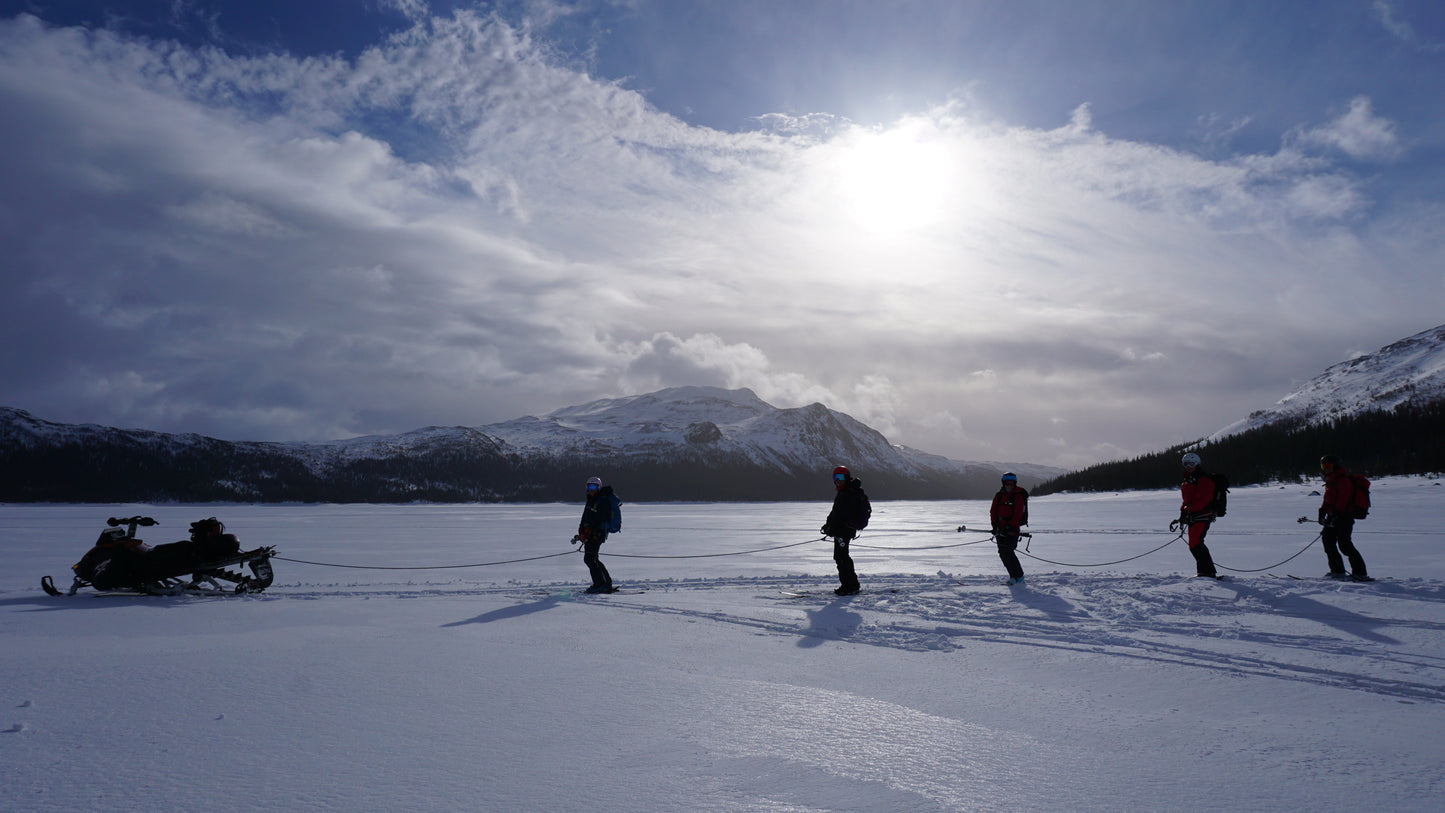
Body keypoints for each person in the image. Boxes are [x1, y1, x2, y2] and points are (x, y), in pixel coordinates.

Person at [1318, 455, 1371, 581]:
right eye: (1323, 466)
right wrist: (1322, 511)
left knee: (1345, 545)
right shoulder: (1331, 481)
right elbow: (1328, 499)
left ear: (1335, 466)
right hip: (1334, 517)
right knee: (1328, 541)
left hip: (1344, 517)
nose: (1326, 469)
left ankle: (1360, 573)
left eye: (1328, 466)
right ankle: (1337, 571)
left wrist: (1335, 515)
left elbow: (1343, 500)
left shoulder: (1342, 480)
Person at [821, 465, 871, 596]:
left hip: (844, 531)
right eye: (835, 477)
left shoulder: (847, 493)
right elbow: (835, 513)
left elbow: (840, 515)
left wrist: (831, 528)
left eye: (840, 477)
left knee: (841, 557)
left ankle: (849, 586)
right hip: (842, 530)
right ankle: (850, 585)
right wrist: (827, 526)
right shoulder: (845, 492)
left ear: (847, 477)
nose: (838, 480)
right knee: (841, 557)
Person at [1173, 452, 1220, 579]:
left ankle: (1207, 572)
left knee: (1196, 543)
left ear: (1197, 464)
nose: (1188, 466)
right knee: (1194, 543)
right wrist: (1183, 512)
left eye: (1191, 463)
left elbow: (1202, 499)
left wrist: (1190, 512)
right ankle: (1204, 572)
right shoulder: (1189, 478)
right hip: (1193, 516)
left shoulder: (1203, 479)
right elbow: (1187, 500)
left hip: (1202, 515)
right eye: (1186, 464)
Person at [572, 476, 619, 593]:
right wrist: (581, 531)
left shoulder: (601, 500)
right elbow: (586, 517)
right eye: (589, 486)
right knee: (593, 559)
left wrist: (589, 532)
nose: (591, 489)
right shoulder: (591, 499)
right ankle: (606, 583)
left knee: (589, 559)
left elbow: (599, 519)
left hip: (596, 535)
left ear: (598, 488)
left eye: (594, 487)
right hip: (590, 534)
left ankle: (600, 584)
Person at [989, 472, 1028, 585]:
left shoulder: (1018, 496)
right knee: (1002, 553)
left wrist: (1008, 527)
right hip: (1000, 529)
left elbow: (1018, 513)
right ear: (1003, 483)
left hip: (1012, 530)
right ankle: (1012, 576)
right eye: (1006, 483)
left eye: (1011, 483)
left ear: (1014, 483)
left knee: (1008, 552)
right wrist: (994, 525)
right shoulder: (999, 495)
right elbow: (993, 511)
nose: (1008, 485)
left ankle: (1019, 577)